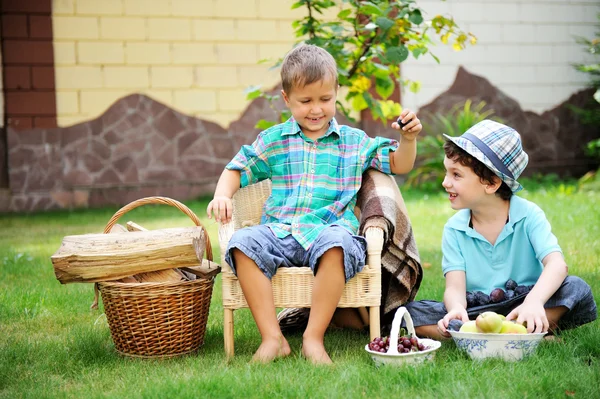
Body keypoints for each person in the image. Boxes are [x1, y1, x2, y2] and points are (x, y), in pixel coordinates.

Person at [206, 43, 422, 364]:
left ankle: (313, 337)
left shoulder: (354, 142)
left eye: (325, 99)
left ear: (336, 93)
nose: (316, 109)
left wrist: (408, 139)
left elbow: (399, 164)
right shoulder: (275, 140)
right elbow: (238, 167)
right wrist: (223, 194)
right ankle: (272, 338)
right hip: (279, 233)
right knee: (241, 243)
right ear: (286, 99)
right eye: (305, 101)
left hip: (329, 233)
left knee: (338, 243)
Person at [404, 119, 597, 339]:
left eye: (456, 175)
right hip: (477, 310)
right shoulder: (454, 229)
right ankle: (523, 333)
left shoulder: (529, 215)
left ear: (491, 183)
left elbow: (557, 265)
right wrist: (456, 307)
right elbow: (454, 287)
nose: (445, 183)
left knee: (576, 288)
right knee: (411, 312)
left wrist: (534, 302)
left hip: (525, 303)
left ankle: (489, 333)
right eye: (447, 173)